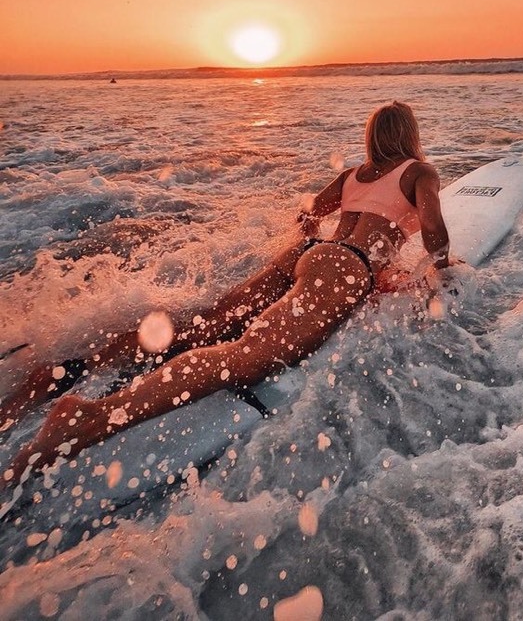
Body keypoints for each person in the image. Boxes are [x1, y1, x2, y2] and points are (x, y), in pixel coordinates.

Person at [3, 101, 451, 486]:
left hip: (311, 252)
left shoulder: (355, 173)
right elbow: (433, 231)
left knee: (208, 324)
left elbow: (311, 214)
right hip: (343, 265)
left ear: (373, 137)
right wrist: (440, 270)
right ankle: (91, 418)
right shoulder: (420, 171)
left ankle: (74, 366)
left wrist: (321, 252)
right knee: (247, 356)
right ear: (409, 137)